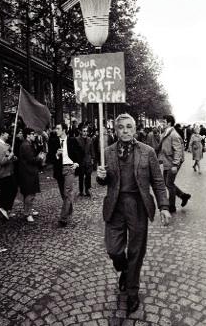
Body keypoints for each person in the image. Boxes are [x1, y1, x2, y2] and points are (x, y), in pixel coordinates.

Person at [97, 113, 171, 315]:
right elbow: (105, 181)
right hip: (115, 206)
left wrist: (164, 206)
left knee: (136, 251)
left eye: (129, 127)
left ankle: (132, 292)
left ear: (135, 128)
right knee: (114, 250)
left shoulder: (147, 152)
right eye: (121, 127)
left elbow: (157, 181)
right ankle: (125, 270)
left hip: (138, 206)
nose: (126, 130)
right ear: (116, 130)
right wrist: (100, 177)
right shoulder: (108, 152)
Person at [158, 114, 191, 213]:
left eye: (164, 122)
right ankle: (183, 196)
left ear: (169, 123)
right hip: (167, 162)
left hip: (172, 163)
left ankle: (171, 206)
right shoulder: (166, 133)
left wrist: (175, 165)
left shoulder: (173, 135)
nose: (162, 124)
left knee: (169, 184)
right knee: (167, 182)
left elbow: (178, 151)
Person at [52, 122, 81, 227]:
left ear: (64, 130)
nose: (56, 130)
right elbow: (50, 158)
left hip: (70, 168)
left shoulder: (72, 140)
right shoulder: (54, 141)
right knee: (63, 194)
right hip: (59, 170)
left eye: (58, 128)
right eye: (56, 129)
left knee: (67, 192)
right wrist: (56, 155)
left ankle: (63, 218)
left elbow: (80, 153)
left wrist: (76, 164)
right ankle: (69, 209)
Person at [19, 128, 45, 222]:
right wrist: (40, 157)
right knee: (29, 194)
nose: (34, 135)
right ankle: (27, 213)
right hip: (28, 173)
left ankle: (29, 210)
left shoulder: (29, 144)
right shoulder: (26, 145)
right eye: (32, 134)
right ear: (28, 135)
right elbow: (31, 160)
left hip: (30, 172)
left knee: (30, 193)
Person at [0, 127, 18, 220]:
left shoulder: (4, 144)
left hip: (8, 171)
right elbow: (2, 161)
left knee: (11, 190)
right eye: (7, 134)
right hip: (3, 172)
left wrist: (13, 157)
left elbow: (7, 156)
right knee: (7, 191)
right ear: (3, 134)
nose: (9, 136)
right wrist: (10, 157)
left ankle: (7, 209)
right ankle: (4, 208)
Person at [76, 126, 95, 197]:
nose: (85, 133)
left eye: (86, 131)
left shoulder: (90, 140)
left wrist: (92, 158)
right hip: (80, 162)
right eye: (83, 131)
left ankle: (87, 190)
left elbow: (92, 150)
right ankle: (81, 191)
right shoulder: (77, 139)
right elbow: (76, 151)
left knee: (88, 176)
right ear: (80, 132)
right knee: (81, 177)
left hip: (88, 161)